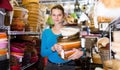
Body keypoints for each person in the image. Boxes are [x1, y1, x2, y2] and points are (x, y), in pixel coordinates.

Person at [41, 4, 83, 70]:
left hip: (68, 66)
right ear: (51, 16)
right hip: (51, 66)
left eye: (59, 15)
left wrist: (81, 52)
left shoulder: (70, 31)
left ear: (63, 16)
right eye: (54, 15)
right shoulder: (46, 32)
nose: (56, 17)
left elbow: (80, 49)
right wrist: (53, 48)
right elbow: (43, 53)